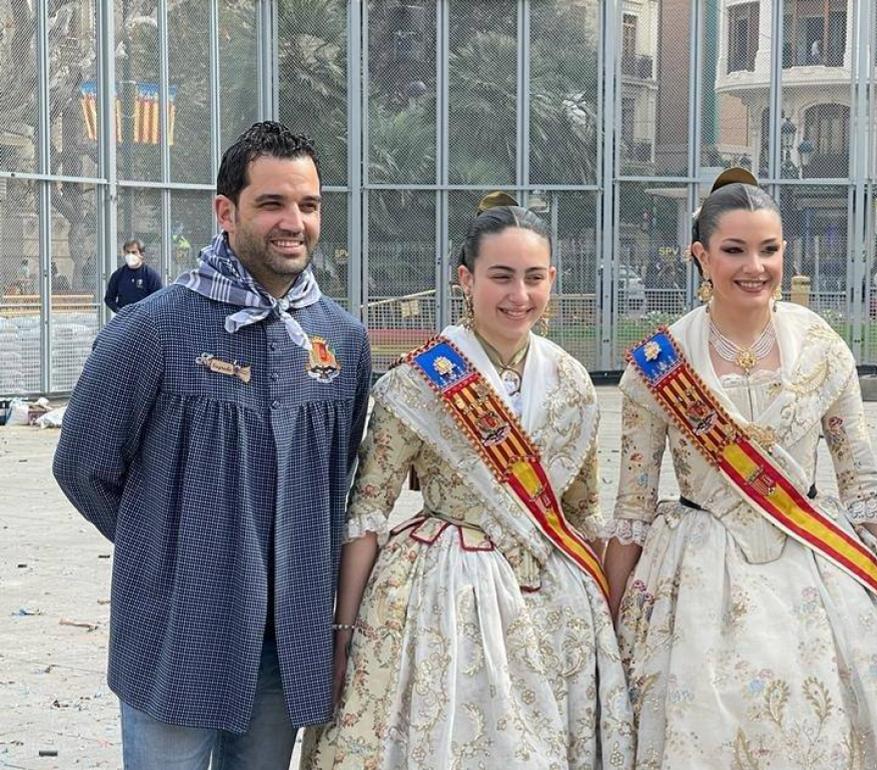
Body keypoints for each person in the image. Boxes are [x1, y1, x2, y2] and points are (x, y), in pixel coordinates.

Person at [603, 168, 877, 768]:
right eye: (734, 250)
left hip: (816, 558)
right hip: (697, 575)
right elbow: (632, 512)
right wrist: (611, 624)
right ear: (700, 256)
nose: (755, 266)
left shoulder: (823, 347)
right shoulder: (657, 364)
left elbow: (863, 489)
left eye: (769, 249)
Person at [52, 121, 372, 769]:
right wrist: (170, 552)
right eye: (272, 203)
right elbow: (83, 466)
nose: (294, 221)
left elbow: (341, 477)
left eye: (308, 205)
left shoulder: (342, 341)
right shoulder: (154, 330)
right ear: (225, 211)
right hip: (176, 634)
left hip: (287, 643)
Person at [302, 193, 634, 769]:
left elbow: (583, 515)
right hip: (446, 595)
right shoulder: (421, 380)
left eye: (534, 278)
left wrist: (607, 625)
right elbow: (368, 512)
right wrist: (346, 633)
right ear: (465, 277)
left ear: (553, 278)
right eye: (500, 276)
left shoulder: (574, 381)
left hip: (555, 601)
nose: (519, 296)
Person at [105, 239, 163, 311]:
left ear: (141, 254)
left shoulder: (151, 276)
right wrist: (118, 310)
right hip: (124, 318)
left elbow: (159, 299)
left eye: (134, 252)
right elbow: (109, 298)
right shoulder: (118, 275)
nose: (130, 255)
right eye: (127, 252)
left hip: (144, 317)